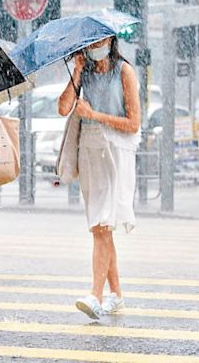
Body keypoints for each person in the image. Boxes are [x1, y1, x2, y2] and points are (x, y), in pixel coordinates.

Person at [57, 35, 141, 320]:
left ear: (111, 40)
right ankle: (116, 296)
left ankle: (96, 294)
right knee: (99, 226)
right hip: (89, 152)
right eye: (90, 42)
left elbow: (133, 123)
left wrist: (95, 114)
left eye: (100, 41)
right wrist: (78, 70)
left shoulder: (124, 71)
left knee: (102, 226)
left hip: (116, 152)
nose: (95, 46)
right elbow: (62, 107)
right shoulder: (85, 72)